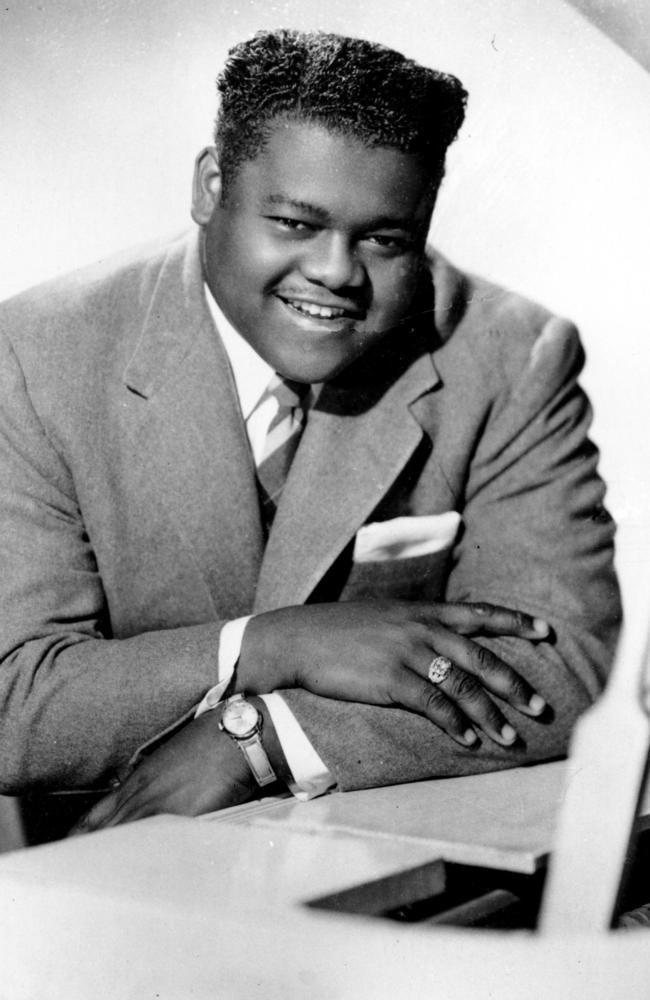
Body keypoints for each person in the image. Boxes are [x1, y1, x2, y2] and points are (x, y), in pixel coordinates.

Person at [0, 29, 620, 834]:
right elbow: (13, 701)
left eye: (385, 239)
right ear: (211, 185)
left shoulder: (509, 355)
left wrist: (260, 737)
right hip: (113, 863)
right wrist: (273, 646)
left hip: (388, 854)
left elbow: (570, 667)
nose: (337, 271)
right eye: (296, 223)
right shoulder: (35, 355)